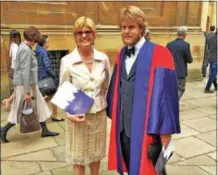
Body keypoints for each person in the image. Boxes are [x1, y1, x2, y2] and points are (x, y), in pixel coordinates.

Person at [107, 6, 180, 175]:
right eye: (123, 27)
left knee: (152, 170)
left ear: (141, 28)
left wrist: (165, 131)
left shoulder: (160, 53)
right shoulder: (122, 54)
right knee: (130, 167)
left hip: (147, 130)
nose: (126, 31)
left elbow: (166, 97)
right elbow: (116, 89)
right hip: (123, 129)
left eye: (131, 27)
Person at [59, 16, 110, 175]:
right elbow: (63, 90)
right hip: (78, 116)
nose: (83, 35)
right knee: (78, 158)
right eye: (79, 32)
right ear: (75, 36)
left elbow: (106, 85)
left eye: (88, 31)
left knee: (95, 156)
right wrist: (69, 114)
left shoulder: (103, 59)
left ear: (94, 34)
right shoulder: (67, 61)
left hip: (98, 115)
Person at [1, 26, 59, 143]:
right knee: (19, 109)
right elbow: (25, 72)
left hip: (31, 84)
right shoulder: (26, 50)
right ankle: (3, 130)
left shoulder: (24, 47)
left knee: (40, 106)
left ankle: (45, 130)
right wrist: (27, 92)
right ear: (33, 38)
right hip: (26, 85)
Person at [35, 35, 64, 122]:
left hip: (41, 76)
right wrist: (54, 75)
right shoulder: (43, 52)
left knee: (52, 94)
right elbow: (47, 67)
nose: (49, 43)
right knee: (54, 94)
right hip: (46, 77)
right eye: (48, 42)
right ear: (44, 43)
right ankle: (52, 114)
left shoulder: (38, 50)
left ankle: (53, 114)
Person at [166, 26, 193, 100]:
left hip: (170, 71)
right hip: (180, 72)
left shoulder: (169, 44)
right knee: (181, 89)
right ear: (184, 34)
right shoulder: (186, 45)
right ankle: (172, 103)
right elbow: (189, 60)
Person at [2, 30, 21, 109]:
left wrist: (9, 69)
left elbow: (10, 59)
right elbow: (16, 59)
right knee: (19, 88)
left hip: (13, 69)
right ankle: (9, 101)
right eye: (18, 37)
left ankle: (9, 101)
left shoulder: (11, 45)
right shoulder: (16, 46)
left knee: (18, 88)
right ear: (16, 37)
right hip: (16, 70)